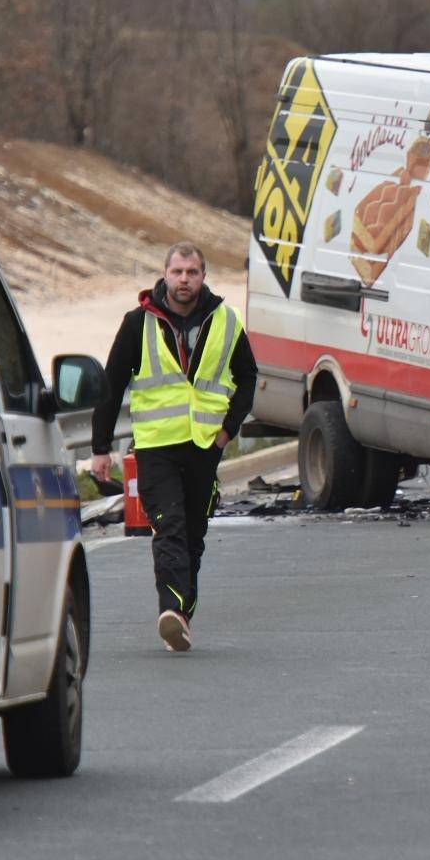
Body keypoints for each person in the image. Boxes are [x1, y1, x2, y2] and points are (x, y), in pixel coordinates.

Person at [91, 243, 257, 651]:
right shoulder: (138, 323)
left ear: (203, 277)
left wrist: (226, 432)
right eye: (178, 272)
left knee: (194, 536)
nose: (185, 280)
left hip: (204, 445)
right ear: (165, 274)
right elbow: (110, 388)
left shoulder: (226, 320)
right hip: (156, 446)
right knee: (171, 526)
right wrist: (100, 448)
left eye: (193, 272)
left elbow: (248, 378)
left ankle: (180, 615)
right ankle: (171, 609)